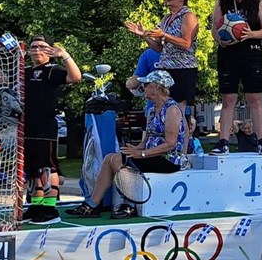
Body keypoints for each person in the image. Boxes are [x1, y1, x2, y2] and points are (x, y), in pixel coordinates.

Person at [69, 71, 188, 218]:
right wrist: (135, 148)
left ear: (157, 87)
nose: (143, 88)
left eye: (145, 85)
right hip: (152, 154)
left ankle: (130, 203)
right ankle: (93, 204)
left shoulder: (172, 109)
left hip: (168, 159)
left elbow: (170, 144)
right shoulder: (152, 110)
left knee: (118, 160)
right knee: (109, 158)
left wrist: (142, 154)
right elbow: (146, 141)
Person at [210, 0, 262, 156]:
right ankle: (223, 142)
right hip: (229, 53)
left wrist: (250, 34)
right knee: (228, 98)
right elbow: (214, 28)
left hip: (251, 51)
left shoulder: (257, 1)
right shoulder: (223, 1)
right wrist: (221, 40)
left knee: (254, 97)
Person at [22, 36, 81, 225]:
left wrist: (64, 55)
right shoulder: (25, 71)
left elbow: (75, 77)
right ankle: (36, 206)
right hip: (27, 125)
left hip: (45, 126)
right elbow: (2, 79)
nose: (37, 50)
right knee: (31, 170)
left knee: (47, 167)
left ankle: (50, 208)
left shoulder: (53, 70)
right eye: (33, 47)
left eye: (42, 47)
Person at [128, 0, 199, 107]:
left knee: (178, 109)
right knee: (163, 107)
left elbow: (186, 43)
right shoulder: (166, 18)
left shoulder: (188, 16)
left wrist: (165, 35)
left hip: (182, 68)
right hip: (165, 68)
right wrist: (144, 36)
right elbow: (159, 48)